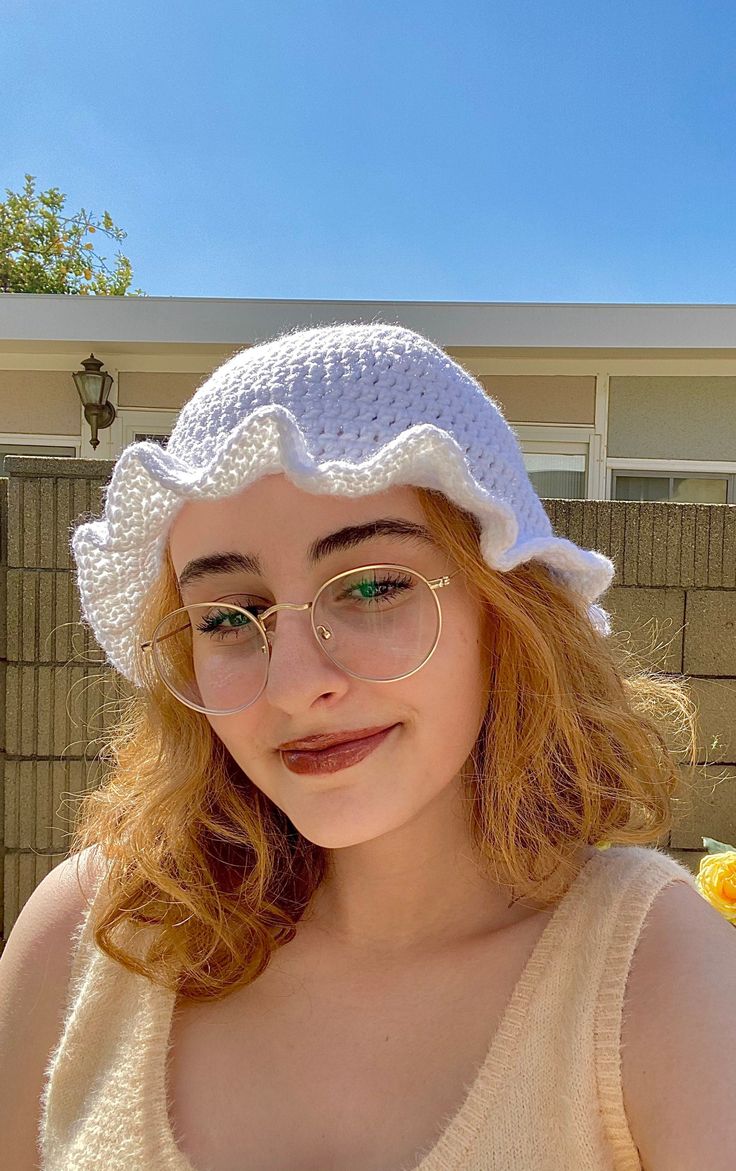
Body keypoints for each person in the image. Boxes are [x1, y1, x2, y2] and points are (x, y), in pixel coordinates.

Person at [0, 322, 729, 1171]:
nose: (292, 684)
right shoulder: (93, 935)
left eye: (376, 586)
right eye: (230, 617)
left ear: (506, 613)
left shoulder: (659, 977)